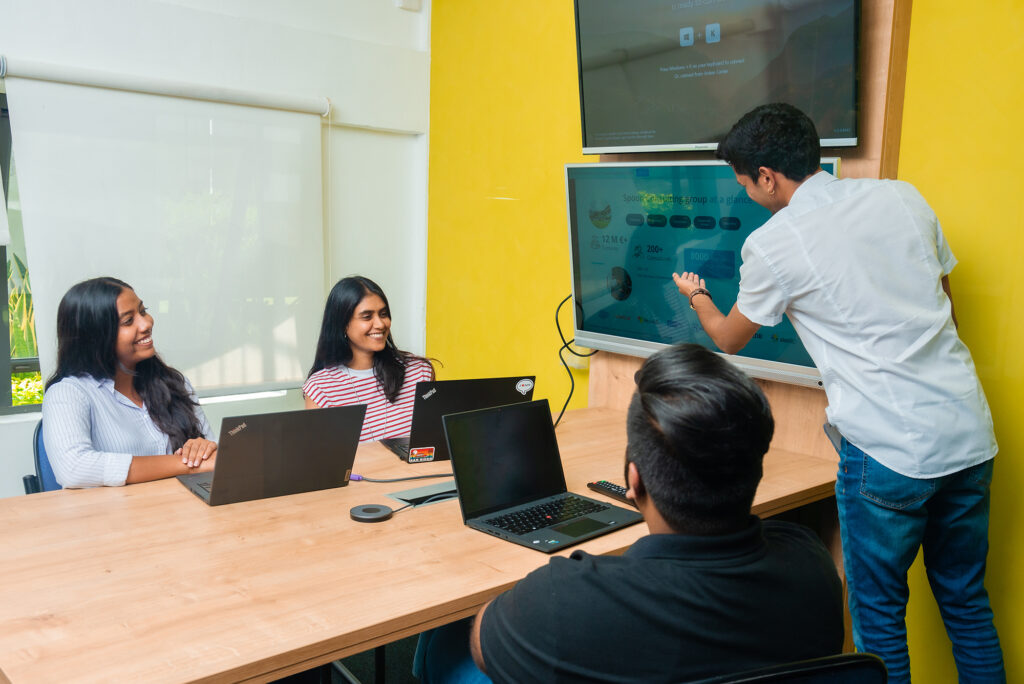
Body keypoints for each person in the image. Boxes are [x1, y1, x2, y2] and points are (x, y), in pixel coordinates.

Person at [672, 103, 1004, 682]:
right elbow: (945, 306)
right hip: (967, 432)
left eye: (744, 182)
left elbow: (729, 337)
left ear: (767, 178)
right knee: (967, 603)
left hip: (889, 452)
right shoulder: (901, 197)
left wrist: (696, 294)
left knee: (878, 620)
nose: (746, 192)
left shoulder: (775, 244)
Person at [416, 344, 844, 683]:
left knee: (445, 643)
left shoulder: (562, 599)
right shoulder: (812, 562)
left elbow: (483, 643)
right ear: (757, 470)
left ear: (633, 480)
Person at [41, 277, 217, 488]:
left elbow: (215, 460)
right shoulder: (68, 393)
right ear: (95, 336)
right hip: (116, 510)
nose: (146, 323)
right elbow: (74, 469)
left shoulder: (174, 383)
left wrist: (203, 449)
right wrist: (187, 464)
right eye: (128, 321)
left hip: (182, 505)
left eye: (143, 311)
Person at [303, 276, 433, 441]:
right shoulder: (320, 389)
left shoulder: (419, 371)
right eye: (367, 316)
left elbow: (434, 440)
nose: (380, 324)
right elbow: (322, 453)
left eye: (383, 314)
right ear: (343, 324)